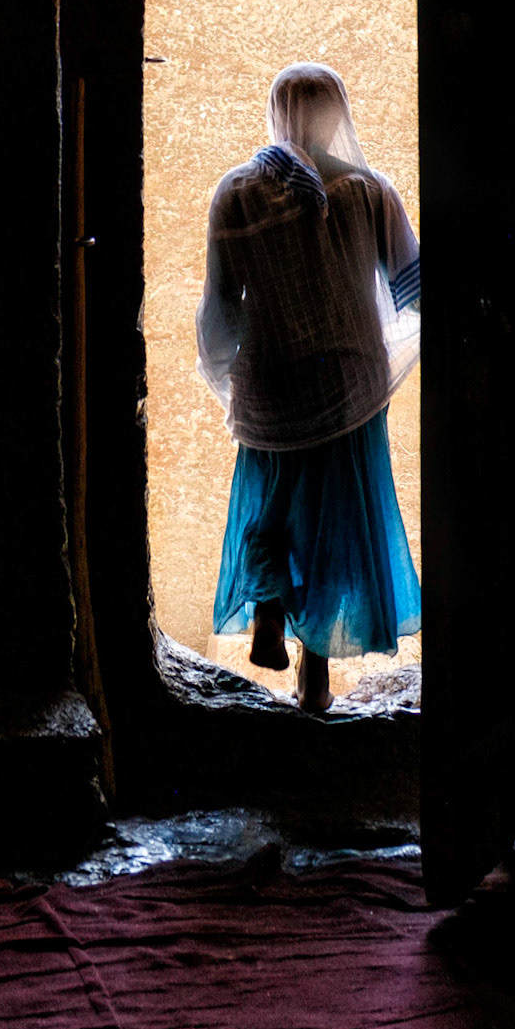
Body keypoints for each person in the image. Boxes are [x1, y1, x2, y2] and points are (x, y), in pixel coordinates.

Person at [196, 64, 421, 711]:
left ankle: (268, 608)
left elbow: (220, 307)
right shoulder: (369, 192)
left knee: (270, 501)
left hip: (272, 384)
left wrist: (227, 367)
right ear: (337, 113)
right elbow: (411, 286)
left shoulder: (236, 194)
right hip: (349, 383)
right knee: (336, 522)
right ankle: (314, 670)